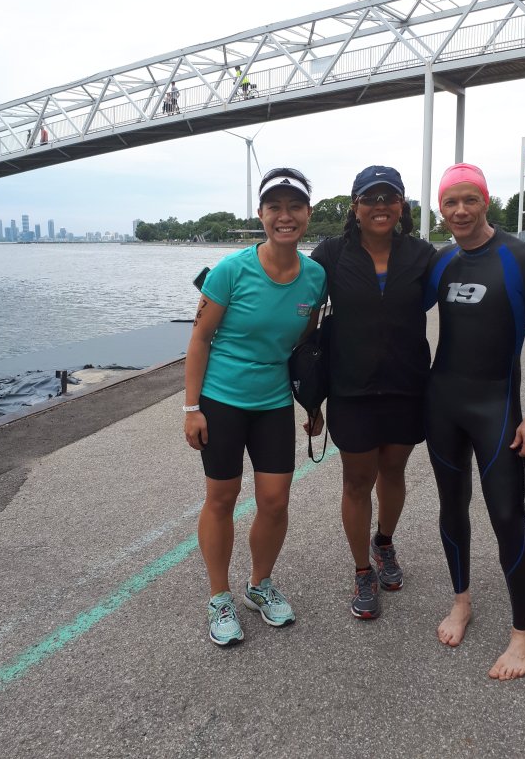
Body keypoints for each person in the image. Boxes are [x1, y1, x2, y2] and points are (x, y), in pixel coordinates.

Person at [425, 162, 525, 680]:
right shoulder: (441, 262)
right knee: (451, 507)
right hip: (442, 404)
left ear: (486, 201)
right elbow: (392, 311)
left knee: (506, 516)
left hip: (497, 408)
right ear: (441, 210)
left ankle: (523, 634)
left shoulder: (522, 258)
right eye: (451, 202)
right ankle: (461, 601)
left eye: (470, 199)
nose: (460, 210)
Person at [183, 167, 326, 647]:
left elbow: (304, 346)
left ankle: (259, 585)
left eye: (294, 207)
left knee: (275, 500)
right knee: (222, 498)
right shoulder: (230, 270)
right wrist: (191, 407)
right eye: (274, 208)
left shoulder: (315, 278)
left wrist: (312, 402)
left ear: (308, 214)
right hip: (221, 400)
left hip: (273, 401)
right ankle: (218, 597)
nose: (285, 216)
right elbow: (200, 338)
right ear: (261, 214)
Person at [311, 166, 436, 619]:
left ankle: (383, 542)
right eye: (370, 198)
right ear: (355, 206)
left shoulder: (423, 255)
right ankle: (362, 570)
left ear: (402, 205)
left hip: (407, 385)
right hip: (352, 389)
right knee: (357, 480)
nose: (380, 205)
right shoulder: (330, 254)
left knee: (394, 471)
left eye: (389, 197)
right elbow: (302, 315)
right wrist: (310, 398)